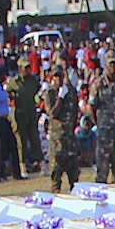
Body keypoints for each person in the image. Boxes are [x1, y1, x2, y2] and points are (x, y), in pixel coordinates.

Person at [41, 59, 81, 193]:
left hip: (70, 141)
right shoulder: (50, 93)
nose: (58, 79)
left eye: (60, 76)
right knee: (55, 181)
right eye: (56, 76)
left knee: (75, 181)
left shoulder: (71, 91)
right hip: (57, 143)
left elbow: (75, 112)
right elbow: (52, 113)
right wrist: (60, 97)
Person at [90, 51, 115, 184]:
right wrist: (99, 124)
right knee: (102, 173)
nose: (113, 66)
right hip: (104, 133)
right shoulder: (98, 84)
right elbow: (92, 107)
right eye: (110, 64)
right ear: (105, 64)